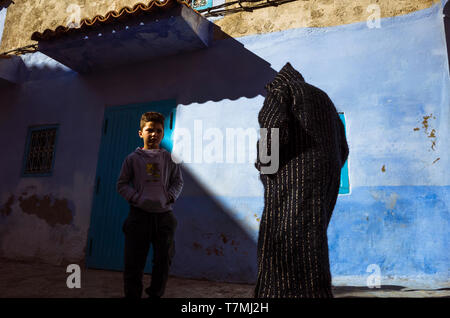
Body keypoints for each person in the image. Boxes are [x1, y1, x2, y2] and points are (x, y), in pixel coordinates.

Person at [254, 62, 349, 298]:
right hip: (326, 178)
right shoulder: (324, 99)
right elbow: (343, 148)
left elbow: (273, 128)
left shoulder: (281, 91)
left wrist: (265, 168)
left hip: (292, 178)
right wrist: (328, 171)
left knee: (279, 242)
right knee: (311, 241)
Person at [117, 111, 183, 299]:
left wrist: (170, 197)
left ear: (163, 134)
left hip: (164, 218)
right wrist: (137, 198)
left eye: (158, 131)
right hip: (139, 217)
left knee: (163, 261)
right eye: (150, 130)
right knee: (133, 263)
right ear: (141, 133)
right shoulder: (132, 159)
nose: (154, 134)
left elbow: (178, 182)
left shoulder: (170, 159)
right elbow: (121, 184)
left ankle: (155, 294)